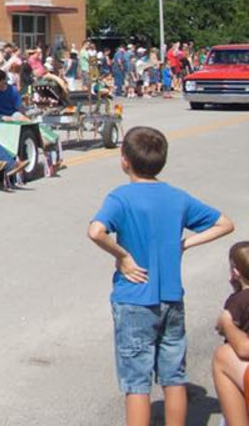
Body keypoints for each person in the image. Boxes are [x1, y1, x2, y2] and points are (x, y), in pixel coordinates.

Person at [87, 127, 233, 426]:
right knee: (174, 376)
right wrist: (185, 243)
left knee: (136, 383)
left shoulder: (121, 197)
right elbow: (224, 223)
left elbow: (96, 231)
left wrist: (123, 256)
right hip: (171, 297)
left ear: (124, 160)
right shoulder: (177, 197)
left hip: (134, 297)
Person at [212, 242, 249, 426]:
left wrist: (224, 324)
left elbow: (222, 324)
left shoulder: (237, 300)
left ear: (235, 272)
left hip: (240, 365)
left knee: (223, 355)